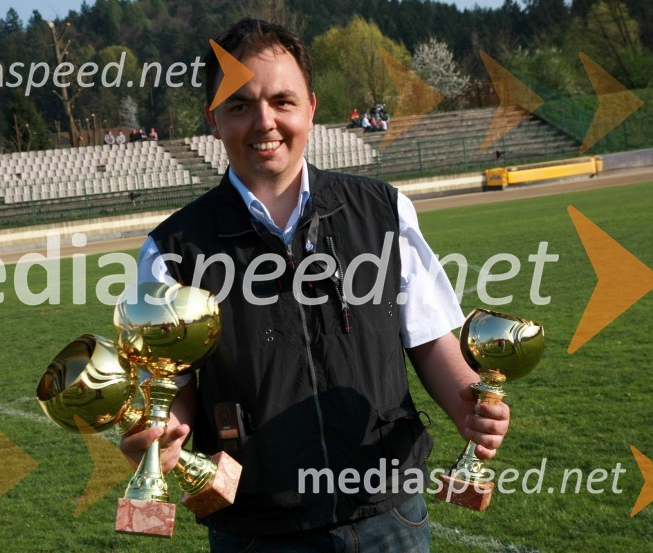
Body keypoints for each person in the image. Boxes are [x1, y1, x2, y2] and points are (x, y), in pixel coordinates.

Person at [120, 18, 510, 553]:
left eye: (282, 100)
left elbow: (429, 337)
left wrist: (470, 403)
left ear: (311, 108)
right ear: (214, 120)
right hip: (259, 531)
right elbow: (174, 393)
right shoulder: (171, 252)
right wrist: (159, 435)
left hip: (387, 517)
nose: (264, 122)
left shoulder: (385, 212)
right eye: (239, 105)